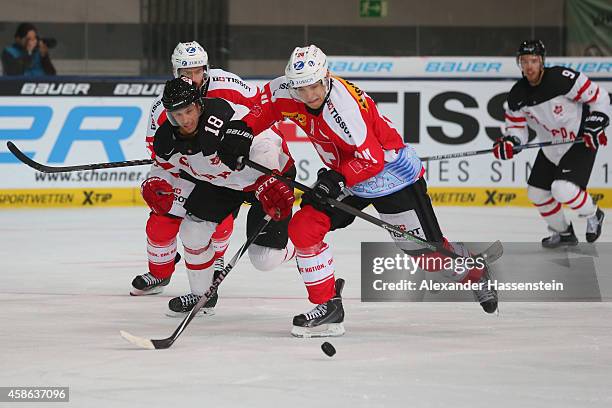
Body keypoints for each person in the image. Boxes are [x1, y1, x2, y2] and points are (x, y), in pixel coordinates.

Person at [217, 45, 498, 338]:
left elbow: (371, 160)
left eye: (314, 86)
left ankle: (474, 271)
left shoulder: (344, 109)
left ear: (326, 77)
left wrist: (337, 180)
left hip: (390, 177)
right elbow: (268, 106)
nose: (309, 94)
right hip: (347, 176)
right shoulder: (289, 90)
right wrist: (243, 129)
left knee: (426, 255)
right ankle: (327, 307)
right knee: (304, 227)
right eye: (301, 88)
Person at [144, 76, 296, 316]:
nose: (185, 120)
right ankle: (201, 296)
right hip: (223, 183)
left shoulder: (225, 116)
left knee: (264, 259)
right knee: (192, 230)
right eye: (177, 115)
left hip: (264, 181)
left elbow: (266, 140)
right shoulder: (166, 139)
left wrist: (271, 178)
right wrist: (155, 183)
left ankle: (298, 245)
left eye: (189, 111)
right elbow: (163, 167)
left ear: (199, 104)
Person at [131, 41, 263, 305]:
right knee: (161, 223)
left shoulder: (230, 86)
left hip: (226, 170)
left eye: (197, 71)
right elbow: (158, 152)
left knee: (217, 220)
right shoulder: (165, 105)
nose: (191, 78)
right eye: (184, 72)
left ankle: (214, 261)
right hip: (188, 171)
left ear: (207, 69)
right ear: (174, 72)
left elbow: (263, 110)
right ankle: (160, 274)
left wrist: (248, 154)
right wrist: (164, 174)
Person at [493, 40, 610, 248]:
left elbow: (599, 97)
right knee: (536, 193)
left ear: (542, 61)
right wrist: (511, 141)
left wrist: (597, 119)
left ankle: (594, 214)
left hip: (579, 139)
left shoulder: (561, 79)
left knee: (562, 189)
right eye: (525, 61)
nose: (529, 66)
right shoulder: (517, 95)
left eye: (534, 61)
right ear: (519, 63)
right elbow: (517, 129)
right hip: (551, 145)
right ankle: (563, 232)